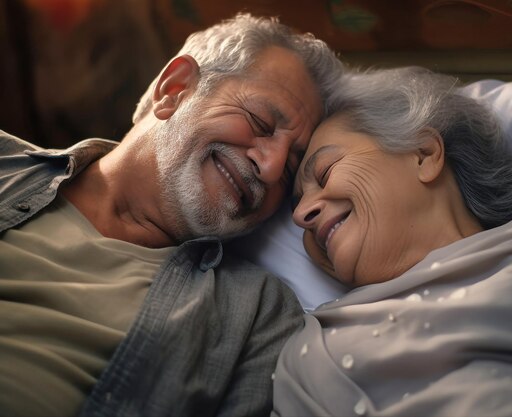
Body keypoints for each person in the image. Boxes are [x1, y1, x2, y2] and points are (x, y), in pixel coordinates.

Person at [0, 14, 344, 417]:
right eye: (260, 122)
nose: (270, 169)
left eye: (290, 171)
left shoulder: (255, 316)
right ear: (174, 89)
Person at [273, 67, 512, 416]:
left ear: (424, 154)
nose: (301, 215)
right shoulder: (308, 357)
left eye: (324, 173)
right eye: (297, 203)